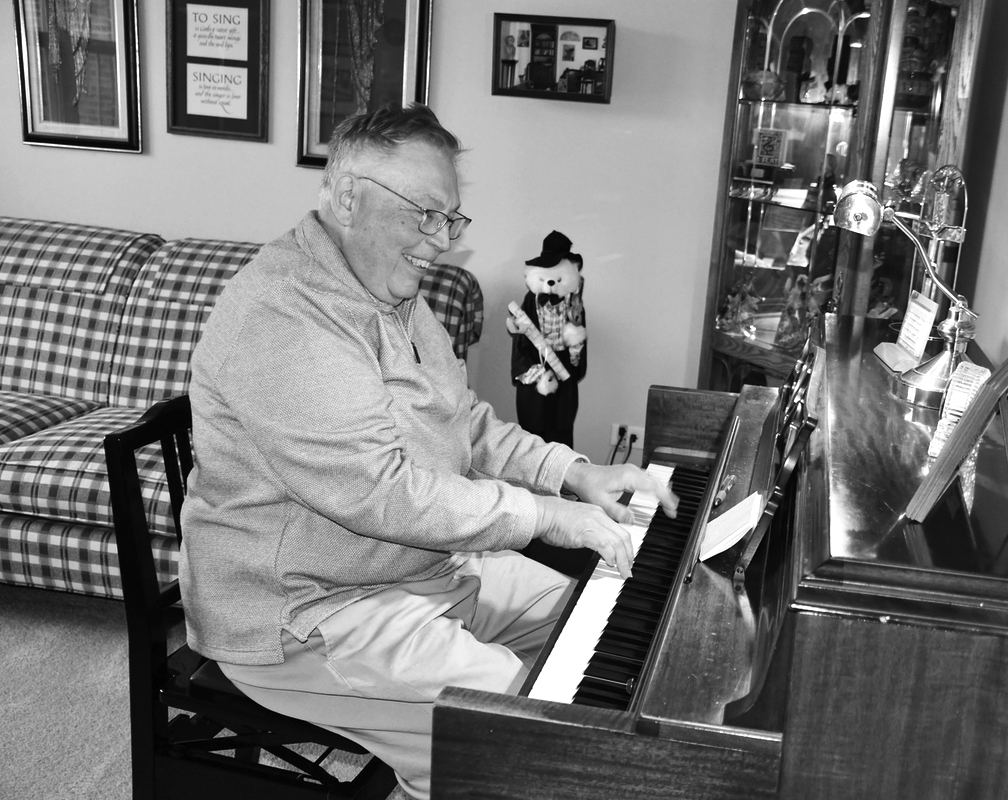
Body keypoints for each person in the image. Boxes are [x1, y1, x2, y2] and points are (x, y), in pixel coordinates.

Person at [179, 102, 677, 800]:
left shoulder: (394, 296)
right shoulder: (284, 318)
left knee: (586, 625)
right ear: (347, 196)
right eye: (425, 214)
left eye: (451, 219)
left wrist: (573, 472)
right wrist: (547, 516)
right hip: (306, 612)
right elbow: (384, 494)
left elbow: (463, 423)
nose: (440, 238)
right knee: (514, 734)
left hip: (412, 571)